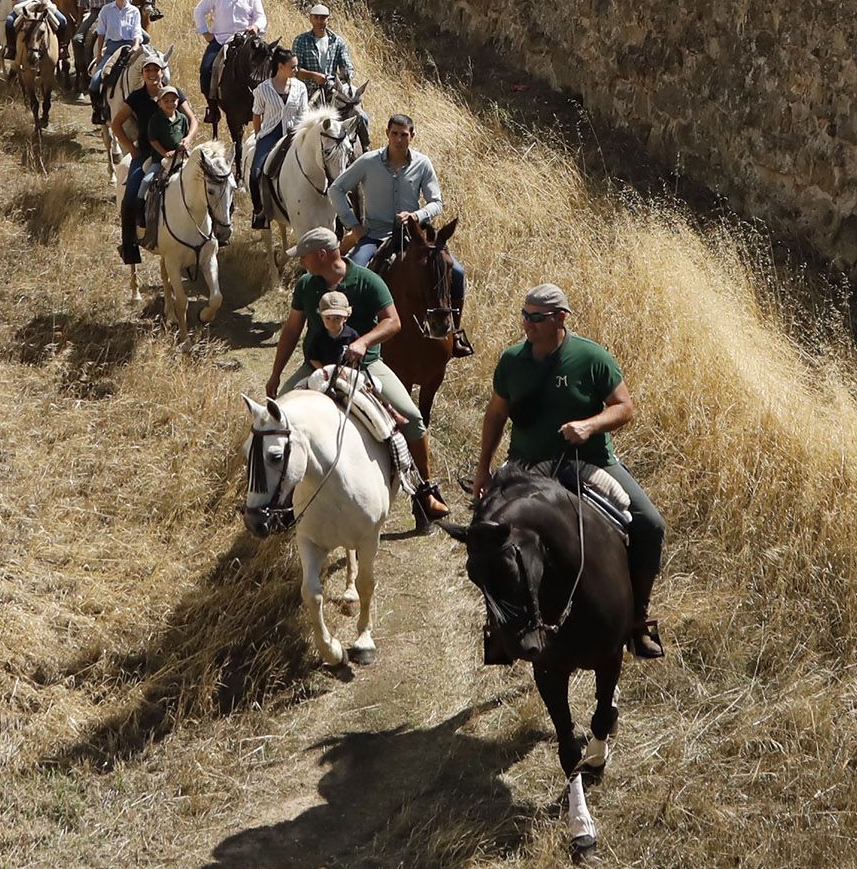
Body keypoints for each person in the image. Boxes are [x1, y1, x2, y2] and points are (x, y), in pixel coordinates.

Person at [470, 285, 665, 658]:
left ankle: (637, 620)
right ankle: (499, 628)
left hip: (587, 462)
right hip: (526, 467)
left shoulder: (592, 358)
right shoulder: (511, 360)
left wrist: (590, 426)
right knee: (488, 536)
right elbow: (496, 413)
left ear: (561, 317)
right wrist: (484, 468)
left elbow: (624, 407)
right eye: (525, 315)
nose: (528, 324)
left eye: (537, 317)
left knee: (649, 524)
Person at [266, 227, 450, 529]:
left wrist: (364, 342)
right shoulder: (305, 285)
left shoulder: (368, 281)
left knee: (413, 419)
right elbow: (292, 329)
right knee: (277, 420)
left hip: (366, 366)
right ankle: (275, 499)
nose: (301, 262)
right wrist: (276, 374)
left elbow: (393, 322)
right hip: (316, 365)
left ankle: (424, 492)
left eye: (305, 257)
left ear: (322, 255)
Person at [331, 112, 464, 310]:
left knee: (458, 272)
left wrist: (415, 216)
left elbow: (436, 203)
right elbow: (336, 189)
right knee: (353, 274)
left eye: (404, 135)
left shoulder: (422, 163)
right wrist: (353, 224)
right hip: (375, 235)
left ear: (412, 136)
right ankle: (353, 329)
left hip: (413, 236)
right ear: (387, 133)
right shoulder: (368, 161)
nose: (398, 139)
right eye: (394, 134)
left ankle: (454, 332)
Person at [109, 62, 186, 265]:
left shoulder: (174, 93)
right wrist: (131, 149)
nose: (152, 74)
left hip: (176, 154)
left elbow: (192, 120)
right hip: (145, 155)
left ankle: (209, 238)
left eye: (156, 70)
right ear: (142, 74)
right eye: (148, 70)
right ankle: (129, 247)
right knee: (130, 198)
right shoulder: (137, 97)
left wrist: (188, 140)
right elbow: (116, 124)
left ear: (162, 72)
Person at [193, 0, 268, 108]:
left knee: (267, 65)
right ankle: (212, 106)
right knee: (206, 69)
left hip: (246, 40)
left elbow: (261, 16)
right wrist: (205, 32)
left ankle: (268, 103)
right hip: (221, 40)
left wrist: (256, 26)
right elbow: (199, 11)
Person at [248, 45, 306, 228]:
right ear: (280, 66)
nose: (296, 70)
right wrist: (259, 136)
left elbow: (304, 114)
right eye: (293, 67)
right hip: (271, 135)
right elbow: (256, 114)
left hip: (293, 134)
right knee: (255, 172)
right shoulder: (262, 89)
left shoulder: (300, 87)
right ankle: (259, 212)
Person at [87, 0, 145, 118]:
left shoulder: (134, 11)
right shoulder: (106, 10)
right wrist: (100, 53)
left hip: (130, 48)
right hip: (112, 48)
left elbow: (137, 30)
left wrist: (136, 45)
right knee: (95, 81)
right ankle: (98, 110)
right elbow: (101, 32)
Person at [292, 3, 356, 94]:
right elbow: (295, 70)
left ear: (328, 19)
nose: (319, 21)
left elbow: (347, 66)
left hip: (331, 89)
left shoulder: (337, 41)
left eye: (322, 18)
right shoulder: (301, 40)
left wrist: (348, 74)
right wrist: (314, 76)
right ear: (310, 19)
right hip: (307, 90)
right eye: (316, 17)